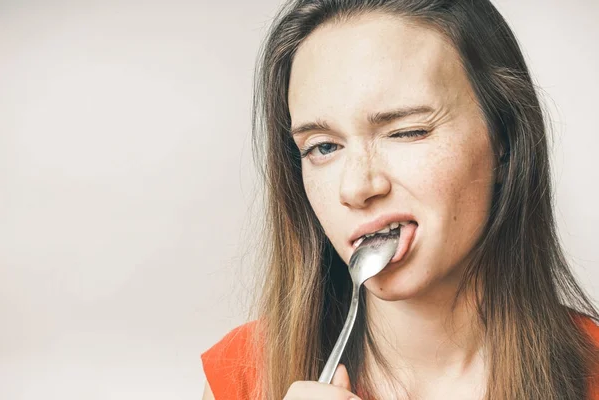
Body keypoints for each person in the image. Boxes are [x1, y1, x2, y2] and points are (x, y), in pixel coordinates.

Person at [201, 0, 599, 399]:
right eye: (323, 147)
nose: (356, 188)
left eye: (406, 132)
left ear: (504, 138)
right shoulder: (244, 376)